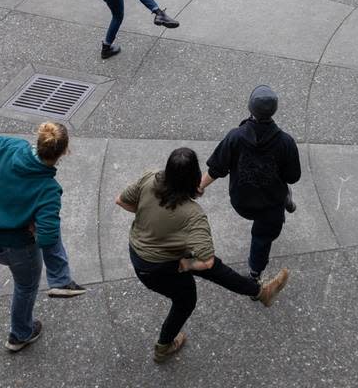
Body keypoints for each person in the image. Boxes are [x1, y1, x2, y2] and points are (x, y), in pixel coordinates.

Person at [116, 147, 291, 363]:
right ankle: (163, 347)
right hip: (157, 267)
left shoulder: (150, 179)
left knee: (214, 267)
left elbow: (121, 200)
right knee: (186, 300)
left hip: (140, 250)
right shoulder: (193, 215)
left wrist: (147, 218)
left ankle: (259, 292)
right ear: (194, 177)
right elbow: (206, 262)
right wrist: (186, 265)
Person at [0, 123, 89, 352]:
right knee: (26, 286)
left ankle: (61, 280)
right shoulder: (48, 189)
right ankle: (20, 334)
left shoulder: (11, 146)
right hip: (16, 246)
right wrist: (37, 229)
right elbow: (47, 238)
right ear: (64, 152)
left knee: (25, 270)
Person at [199, 85, 300, 280]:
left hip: (242, 201)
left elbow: (216, 169)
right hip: (271, 206)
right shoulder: (286, 142)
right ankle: (254, 273)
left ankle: (284, 197)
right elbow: (292, 177)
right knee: (262, 238)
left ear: (250, 109)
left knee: (266, 220)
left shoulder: (235, 136)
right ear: (275, 110)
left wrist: (200, 186)